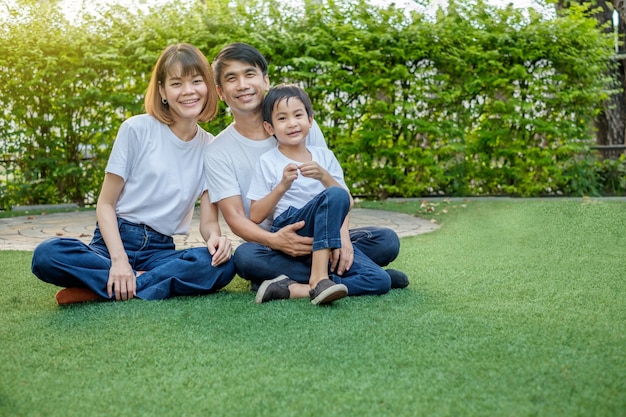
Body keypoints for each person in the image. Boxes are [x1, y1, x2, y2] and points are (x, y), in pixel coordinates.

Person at [31, 43, 235, 305]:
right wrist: (118, 260)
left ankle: (108, 288)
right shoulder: (136, 129)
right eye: (176, 83)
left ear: (207, 86)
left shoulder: (211, 148)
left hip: (159, 252)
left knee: (222, 265)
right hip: (111, 243)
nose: (188, 91)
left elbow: (208, 223)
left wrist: (217, 241)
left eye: (196, 81)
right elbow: (105, 204)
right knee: (47, 254)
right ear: (162, 90)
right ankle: (142, 281)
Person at [204, 42, 408, 303]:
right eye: (232, 79)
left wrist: (342, 238)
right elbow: (236, 219)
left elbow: (334, 193)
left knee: (387, 240)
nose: (243, 85)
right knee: (246, 258)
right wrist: (278, 241)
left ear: (265, 80)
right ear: (221, 92)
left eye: (250, 74)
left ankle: (290, 285)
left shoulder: (301, 125)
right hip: (275, 244)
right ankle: (364, 277)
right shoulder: (218, 150)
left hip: (323, 231)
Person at [247, 83, 395, 305]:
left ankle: (294, 288)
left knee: (384, 263)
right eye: (282, 118)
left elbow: (347, 202)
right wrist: (282, 186)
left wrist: (324, 176)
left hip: (327, 234)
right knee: (246, 255)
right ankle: (320, 279)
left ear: (310, 120)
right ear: (270, 128)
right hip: (294, 229)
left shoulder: (324, 156)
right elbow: (256, 216)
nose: (292, 123)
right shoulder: (267, 161)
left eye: (298, 115)